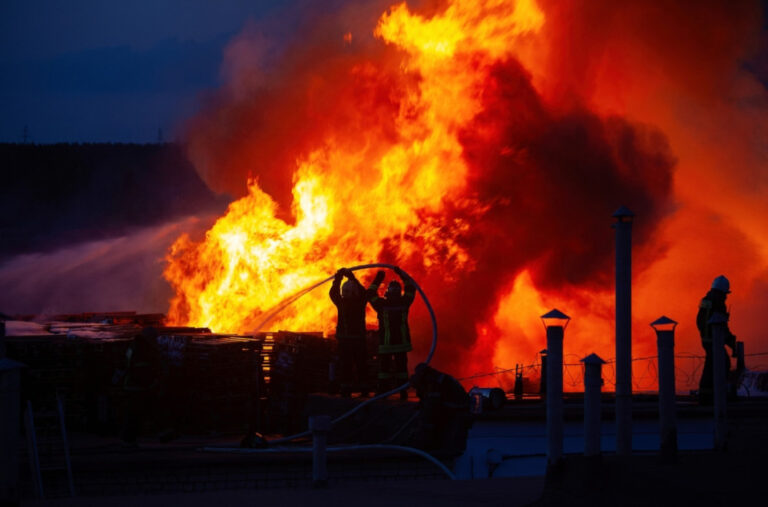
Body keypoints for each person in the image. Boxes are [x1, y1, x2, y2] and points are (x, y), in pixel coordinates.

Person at [368, 267, 415, 400]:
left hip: (386, 343)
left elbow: (370, 293)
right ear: (399, 292)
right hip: (401, 344)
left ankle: (383, 392)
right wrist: (402, 273)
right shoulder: (405, 302)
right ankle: (403, 392)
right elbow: (411, 288)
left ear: (387, 292)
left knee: (384, 370)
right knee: (402, 370)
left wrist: (378, 278)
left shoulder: (381, 304)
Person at [408, 363, 471, 454]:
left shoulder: (433, 383)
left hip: (455, 409)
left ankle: (431, 446)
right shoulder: (435, 378)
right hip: (456, 406)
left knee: (430, 421)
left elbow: (432, 407)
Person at [329, 267, 371, 397]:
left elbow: (333, 293)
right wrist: (353, 278)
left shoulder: (342, 303)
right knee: (361, 365)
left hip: (345, 341)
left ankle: (346, 390)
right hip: (359, 340)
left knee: (346, 366)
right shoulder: (360, 303)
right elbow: (364, 293)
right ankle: (364, 390)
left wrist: (338, 278)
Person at [696, 275, 736, 405]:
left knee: (710, 366)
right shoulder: (718, 303)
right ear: (721, 292)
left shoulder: (706, 300)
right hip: (714, 340)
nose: (726, 296)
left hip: (706, 340)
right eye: (725, 294)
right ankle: (717, 394)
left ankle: (706, 394)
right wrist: (730, 341)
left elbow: (699, 321)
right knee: (722, 363)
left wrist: (704, 334)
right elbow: (721, 326)